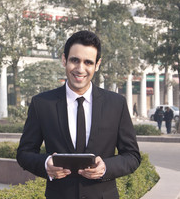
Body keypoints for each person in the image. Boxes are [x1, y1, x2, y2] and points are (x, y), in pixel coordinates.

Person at [17, 30, 141, 199]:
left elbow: (132, 156)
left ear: (97, 65)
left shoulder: (116, 104)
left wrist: (105, 167)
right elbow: (24, 153)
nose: (80, 69)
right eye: (75, 60)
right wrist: (46, 164)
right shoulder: (42, 104)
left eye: (88, 62)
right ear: (64, 60)